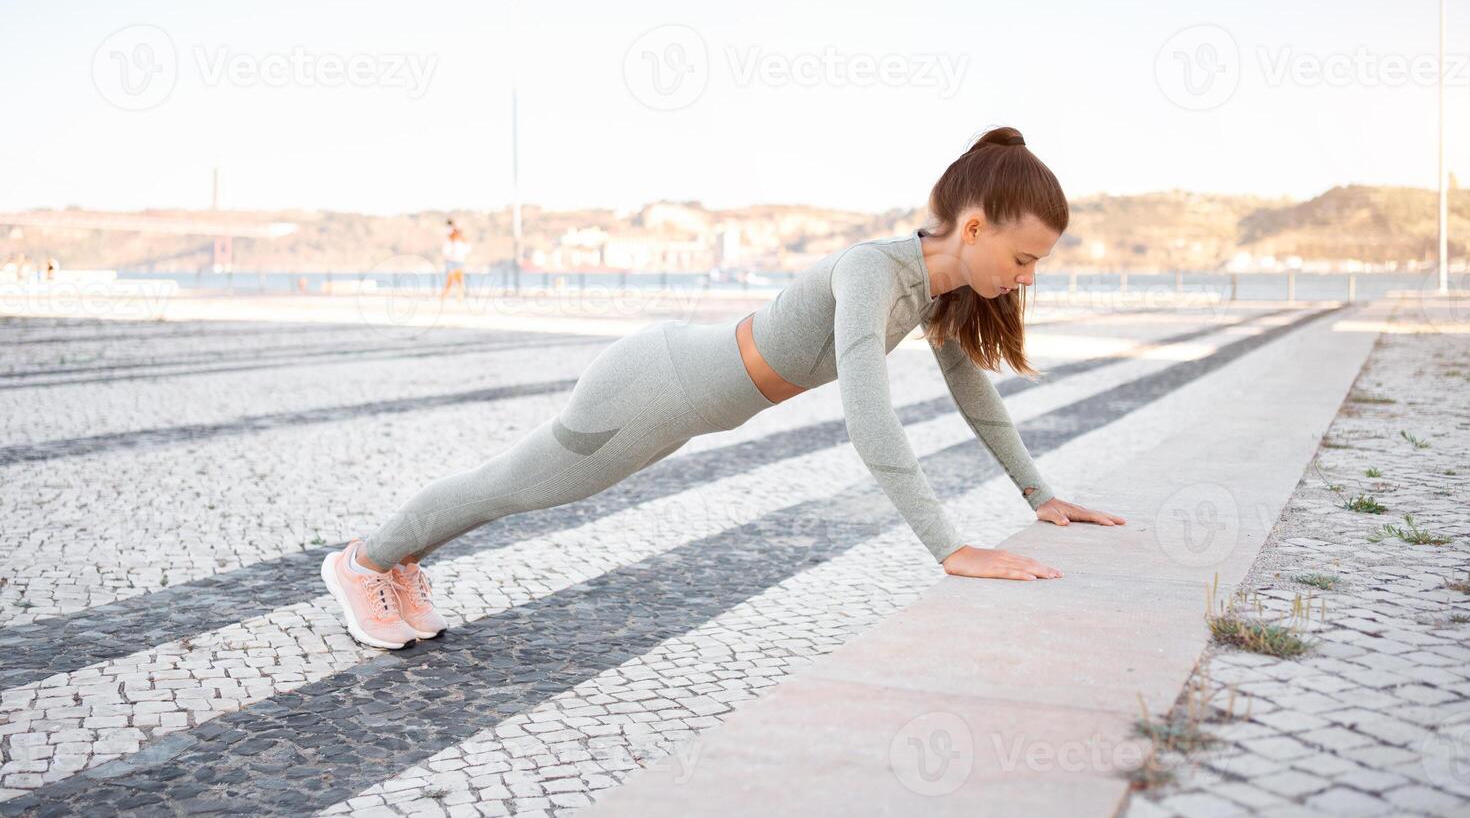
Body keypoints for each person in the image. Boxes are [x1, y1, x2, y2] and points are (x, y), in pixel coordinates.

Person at [321, 126, 1126, 649]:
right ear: (977, 226)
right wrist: (950, 547)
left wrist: (1038, 494)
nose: (1025, 278)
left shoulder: (941, 294)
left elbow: (974, 394)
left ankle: (398, 563)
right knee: (513, 487)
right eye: (1024, 259)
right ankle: (364, 560)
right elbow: (870, 417)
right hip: (649, 387)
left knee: (520, 489)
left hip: (687, 400)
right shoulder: (872, 272)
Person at [440, 218, 470, 302]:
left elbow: (467, 249)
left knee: (459, 280)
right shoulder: (449, 239)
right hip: (451, 261)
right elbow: (445, 250)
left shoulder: (461, 241)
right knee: (450, 279)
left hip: (459, 261)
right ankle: (444, 296)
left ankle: (459, 297)